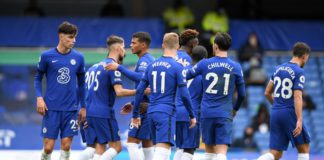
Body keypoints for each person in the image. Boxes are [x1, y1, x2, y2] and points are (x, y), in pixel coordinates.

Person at [83, 35, 149, 160]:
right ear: (119, 48)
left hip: (90, 111)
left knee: (99, 148)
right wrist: (140, 91)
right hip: (103, 112)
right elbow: (119, 92)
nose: (125, 51)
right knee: (116, 147)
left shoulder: (94, 67)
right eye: (124, 48)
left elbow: (87, 92)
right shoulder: (113, 66)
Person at [132, 32, 197, 160]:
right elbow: (184, 94)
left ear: (162, 45)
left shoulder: (151, 65)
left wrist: (135, 115)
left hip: (151, 112)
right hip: (166, 113)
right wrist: (192, 114)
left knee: (158, 151)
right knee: (163, 153)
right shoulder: (178, 67)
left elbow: (140, 90)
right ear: (178, 46)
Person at [186, 32, 246, 160]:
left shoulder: (204, 64)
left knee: (209, 152)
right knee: (221, 153)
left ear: (215, 46)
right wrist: (234, 109)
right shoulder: (236, 67)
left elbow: (184, 75)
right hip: (224, 113)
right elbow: (242, 94)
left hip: (207, 112)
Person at [34, 21, 86, 160]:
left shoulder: (79, 57)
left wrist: (83, 107)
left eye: (75, 37)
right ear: (61, 36)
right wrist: (39, 98)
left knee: (66, 146)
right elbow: (38, 78)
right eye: (70, 37)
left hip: (70, 109)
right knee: (48, 147)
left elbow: (82, 84)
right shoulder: (46, 56)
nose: (73, 40)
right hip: (51, 108)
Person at [105, 31, 155, 160]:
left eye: (134, 43)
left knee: (132, 143)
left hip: (145, 108)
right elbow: (143, 85)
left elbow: (142, 77)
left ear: (143, 45)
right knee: (147, 143)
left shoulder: (145, 61)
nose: (131, 46)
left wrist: (118, 68)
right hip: (148, 106)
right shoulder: (148, 59)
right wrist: (133, 104)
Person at [257, 42, 311, 160]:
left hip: (276, 112)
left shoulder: (278, 69)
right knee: (304, 148)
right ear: (304, 56)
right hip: (289, 111)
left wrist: (276, 104)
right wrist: (299, 119)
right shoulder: (299, 72)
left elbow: (267, 92)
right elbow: (297, 96)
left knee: (276, 153)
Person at [173, 45, 208, 160]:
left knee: (180, 147)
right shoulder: (203, 75)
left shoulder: (181, 70)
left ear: (191, 56)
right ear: (204, 60)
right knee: (189, 149)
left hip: (177, 113)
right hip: (191, 114)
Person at [173, 29, 200, 160]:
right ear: (193, 45)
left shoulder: (172, 56)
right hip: (187, 109)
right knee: (189, 149)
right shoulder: (189, 61)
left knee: (180, 146)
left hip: (173, 109)